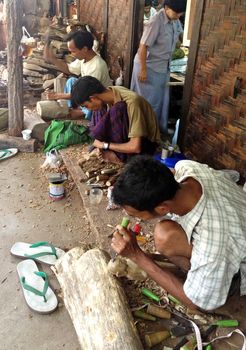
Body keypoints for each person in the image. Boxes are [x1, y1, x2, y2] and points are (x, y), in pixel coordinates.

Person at [111, 156, 246, 310]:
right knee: (164, 234)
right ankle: (193, 271)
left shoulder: (213, 239)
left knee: (168, 238)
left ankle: (200, 277)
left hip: (239, 268)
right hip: (236, 225)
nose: (129, 216)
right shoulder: (188, 169)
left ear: (162, 208)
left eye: (135, 214)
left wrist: (137, 256)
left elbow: (195, 303)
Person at [71, 76, 160, 162]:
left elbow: (135, 147)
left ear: (92, 98)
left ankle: (120, 156)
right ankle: (111, 149)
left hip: (146, 146)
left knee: (117, 109)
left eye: (86, 106)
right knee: (99, 109)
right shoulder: (109, 92)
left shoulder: (131, 103)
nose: (88, 109)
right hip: (126, 138)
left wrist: (104, 145)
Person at [131, 0, 186, 133]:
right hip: (148, 67)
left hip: (162, 67)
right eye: (176, 12)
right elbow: (143, 46)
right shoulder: (156, 21)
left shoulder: (174, 20)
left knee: (159, 100)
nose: (178, 15)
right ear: (166, 7)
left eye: (181, 13)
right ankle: (142, 133)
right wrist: (143, 70)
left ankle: (154, 130)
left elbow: (178, 36)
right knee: (147, 102)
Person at [43, 30, 111, 119]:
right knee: (71, 81)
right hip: (86, 93)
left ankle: (83, 112)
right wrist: (53, 59)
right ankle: (76, 107)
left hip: (98, 99)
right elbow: (69, 69)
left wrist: (57, 95)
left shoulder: (97, 66)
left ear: (85, 49)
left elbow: (87, 94)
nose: (71, 54)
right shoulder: (84, 58)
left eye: (73, 51)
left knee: (93, 103)